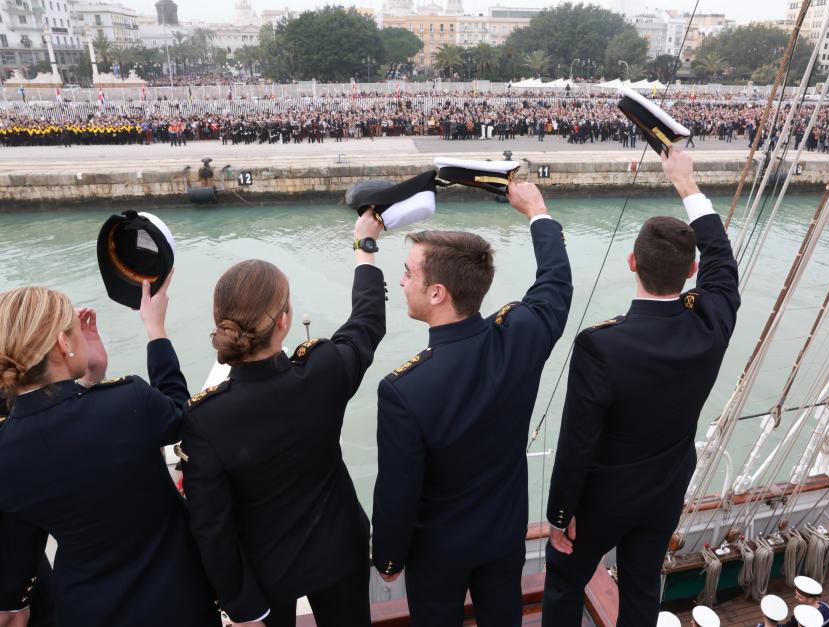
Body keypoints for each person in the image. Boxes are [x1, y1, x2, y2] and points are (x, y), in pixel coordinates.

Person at [542, 148, 740, 627]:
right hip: (666, 487)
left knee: (566, 580)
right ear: (690, 272)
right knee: (642, 584)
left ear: (632, 261)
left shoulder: (600, 346)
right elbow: (722, 258)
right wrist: (687, 184)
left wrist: (561, 510)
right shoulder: (712, 322)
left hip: (603, 500)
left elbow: (578, 439)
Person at [371, 181, 573, 626]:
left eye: (408, 273)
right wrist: (537, 211)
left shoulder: (403, 390)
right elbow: (556, 283)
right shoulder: (520, 335)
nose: (401, 281)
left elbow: (396, 493)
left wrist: (388, 559)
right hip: (503, 535)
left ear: (438, 292)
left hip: (439, 552)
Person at [181, 210, 386, 627]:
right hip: (338, 550)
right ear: (285, 322)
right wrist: (364, 249)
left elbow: (212, 527)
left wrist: (242, 606)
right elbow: (366, 323)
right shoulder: (323, 371)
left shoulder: (205, 417)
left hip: (264, 569)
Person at [0, 282, 219, 627]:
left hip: (85, 611)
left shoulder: (6, 448)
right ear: (62, 343)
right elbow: (184, 416)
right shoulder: (128, 401)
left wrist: (89, 381)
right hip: (176, 601)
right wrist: (156, 330)